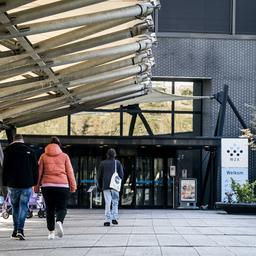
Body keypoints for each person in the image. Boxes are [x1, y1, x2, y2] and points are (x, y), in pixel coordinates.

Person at [34, 136, 76, 240]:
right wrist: (73, 186)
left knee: (49, 209)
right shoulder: (64, 156)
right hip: (62, 185)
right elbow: (70, 172)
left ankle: (51, 232)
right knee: (62, 208)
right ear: (59, 145)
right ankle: (59, 221)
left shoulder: (43, 156)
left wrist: (36, 186)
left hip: (47, 186)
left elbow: (38, 172)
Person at [2, 134, 38, 240]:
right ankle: (20, 230)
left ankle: (14, 230)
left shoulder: (8, 151)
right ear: (22, 140)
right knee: (24, 206)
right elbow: (35, 168)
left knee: (15, 207)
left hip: (12, 184)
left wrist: (4, 183)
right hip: (26, 184)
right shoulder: (30, 151)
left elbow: (4, 168)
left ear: (14, 140)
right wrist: (35, 182)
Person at [97, 148, 124, 226]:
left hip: (105, 185)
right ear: (115, 155)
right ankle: (114, 218)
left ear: (107, 155)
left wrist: (99, 185)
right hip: (115, 186)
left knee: (108, 202)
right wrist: (119, 184)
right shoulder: (117, 163)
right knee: (115, 201)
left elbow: (99, 176)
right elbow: (121, 175)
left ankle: (107, 220)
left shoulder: (102, 163)